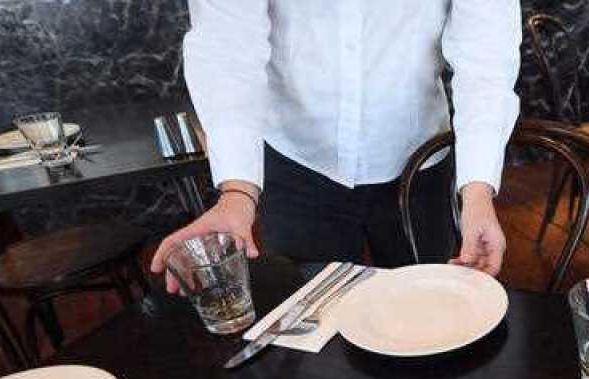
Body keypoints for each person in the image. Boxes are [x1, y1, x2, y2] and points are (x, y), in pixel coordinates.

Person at [150, 0, 521, 291]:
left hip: (418, 163)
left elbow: (486, 56)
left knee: (429, 315)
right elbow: (229, 48)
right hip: (297, 161)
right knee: (309, 326)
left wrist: (477, 193)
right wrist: (237, 193)